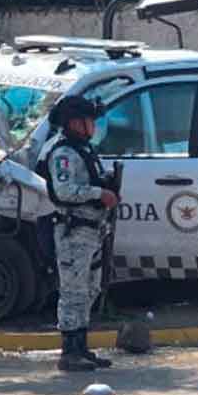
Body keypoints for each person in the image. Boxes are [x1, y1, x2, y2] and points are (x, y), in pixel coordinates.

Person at [39, 96, 119, 372]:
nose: (93, 127)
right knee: (73, 291)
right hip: (73, 231)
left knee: (90, 288)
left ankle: (82, 347)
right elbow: (63, 191)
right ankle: (69, 351)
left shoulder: (83, 150)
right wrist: (99, 193)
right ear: (74, 123)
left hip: (92, 230)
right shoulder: (63, 153)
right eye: (89, 122)